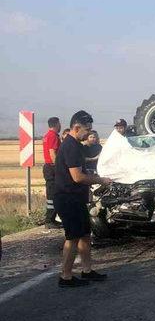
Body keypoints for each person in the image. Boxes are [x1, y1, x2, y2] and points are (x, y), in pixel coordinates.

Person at [54, 110, 111, 288]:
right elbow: (78, 177)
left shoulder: (76, 144)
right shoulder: (70, 146)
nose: (89, 134)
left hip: (77, 198)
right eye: (87, 130)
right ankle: (65, 276)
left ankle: (87, 271)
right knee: (72, 237)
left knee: (85, 235)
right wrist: (101, 180)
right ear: (76, 128)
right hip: (67, 199)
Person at [42, 117, 62, 229]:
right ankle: (49, 221)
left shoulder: (47, 135)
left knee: (53, 194)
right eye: (59, 124)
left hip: (48, 167)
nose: (60, 126)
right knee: (52, 195)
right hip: (52, 168)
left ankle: (52, 219)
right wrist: (58, 167)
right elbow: (52, 152)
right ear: (56, 124)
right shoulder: (53, 136)